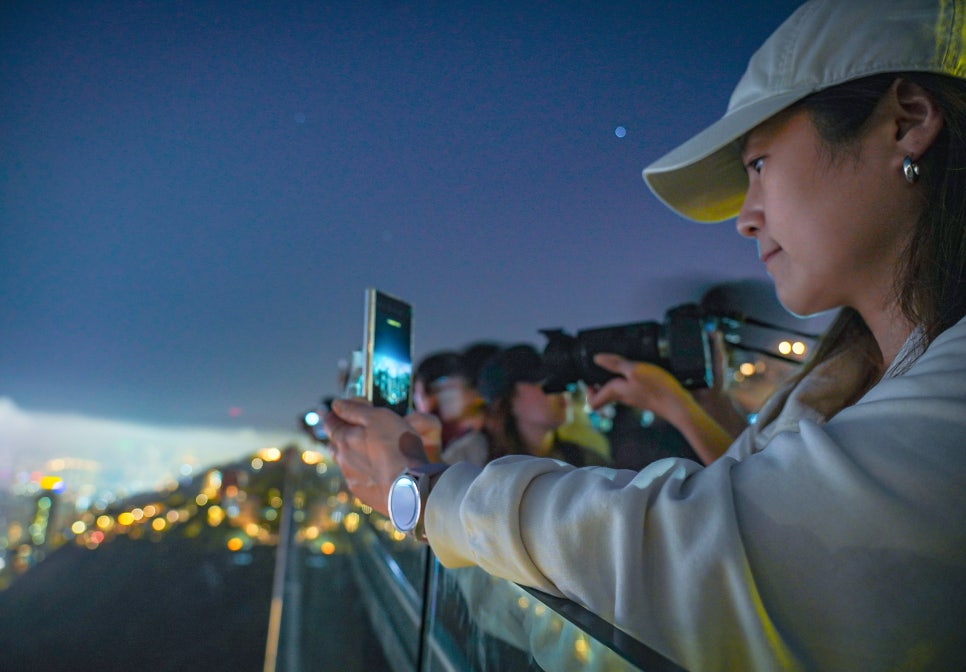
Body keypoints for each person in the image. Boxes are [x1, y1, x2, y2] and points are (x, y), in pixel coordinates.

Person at [325, 1, 966, 668]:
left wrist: (421, 493)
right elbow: (622, 628)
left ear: (908, 120)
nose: (746, 219)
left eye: (758, 165)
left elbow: (695, 556)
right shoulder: (846, 395)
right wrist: (431, 503)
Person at [443, 345, 609, 467]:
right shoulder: (466, 460)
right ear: (509, 400)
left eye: (561, 381)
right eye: (543, 382)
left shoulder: (586, 461)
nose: (561, 390)